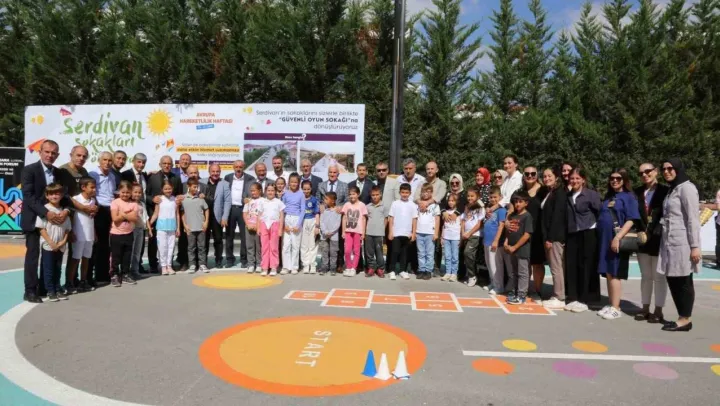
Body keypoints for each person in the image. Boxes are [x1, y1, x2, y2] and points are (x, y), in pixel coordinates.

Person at [21, 140, 72, 302]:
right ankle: (30, 291)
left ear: (57, 155)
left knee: (50, 255)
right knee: (33, 256)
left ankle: (45, 287)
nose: (50, 155)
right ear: (40, 152)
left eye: (53, 153)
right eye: (47, 152)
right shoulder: (29, 170)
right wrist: (46, 212)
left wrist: (66, 210)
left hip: (55, 223)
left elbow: (66, 196)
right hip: (34, 220)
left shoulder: (60, 173)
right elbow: (28, 196)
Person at [657, 158, 701, 332]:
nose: (666, 172)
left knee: (683, 280)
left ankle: (685, 319)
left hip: (683, 242)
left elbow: (693, 219)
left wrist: (695, 246)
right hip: (669, 242)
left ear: (678, 169)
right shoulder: (672, 189)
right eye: (664, 169)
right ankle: (681, 316)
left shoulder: (687, 188)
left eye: (670, 168)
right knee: (673, 278)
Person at [596, 169, 640, 320]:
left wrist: (618, 237)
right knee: (608, 272)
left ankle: (616, 307)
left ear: (624, 180)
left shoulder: (629, 197)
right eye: (612, 178)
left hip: (616, 238)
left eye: (618, 178)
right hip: (605, 239)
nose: (615, 181)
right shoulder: (609, 197)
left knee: (615, 272)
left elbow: (631, 219)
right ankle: (611, 304)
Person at [633, 163, 669, 322]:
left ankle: (658, 310)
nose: (644, 175)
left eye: (648, 171)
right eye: (641, 173)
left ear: (656, 172)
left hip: (660, 239)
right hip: (642, 238)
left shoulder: (666, 191)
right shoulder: (637, 192)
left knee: (659, 277)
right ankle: (645, 308)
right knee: (646, 276)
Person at [565, 168, 602, 313]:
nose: (574, 181)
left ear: (583, 180)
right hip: (573, 232)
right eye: (572, 178)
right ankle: (573, 297)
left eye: (577, 178)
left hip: (588, 232)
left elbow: (599, 211)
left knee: (587, 266)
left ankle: (585, 299)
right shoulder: (568, 195)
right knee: (572, 265)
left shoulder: (591, 194)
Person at [146, 156, 183, 272]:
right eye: (164, 163)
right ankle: (153, 265)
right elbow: (146, 194)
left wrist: (179, 199)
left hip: (171, 215)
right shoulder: (152, 177)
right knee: (154, 242)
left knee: (170, 244)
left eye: (169, 163)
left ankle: (168, 264)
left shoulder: (176, 178)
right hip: (156, 213)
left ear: (172, 165)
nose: (167, 165)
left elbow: (179, 194)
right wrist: (152, 199)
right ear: (160, 164)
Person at [36, 183, 72, 301]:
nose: (54, 196)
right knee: (49, 269)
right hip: (48, 245)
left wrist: (63, 241)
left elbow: (67, 229)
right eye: (51, 194)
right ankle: (50, 291)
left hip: (61, 246)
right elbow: (41, 228)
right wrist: (51, 242)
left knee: (58, 268)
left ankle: (57, 288)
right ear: (47, 196)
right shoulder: (45, 210)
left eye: (57, 193)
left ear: (61, 195)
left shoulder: (64, 211)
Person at [540, 166, 568, 310]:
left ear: (556, 177)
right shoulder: (549, 192)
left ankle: (559, 297)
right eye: (544, 176)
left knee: (556, 267)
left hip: (555, 237)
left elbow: (557, 217)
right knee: (555, 266)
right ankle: (558, 294)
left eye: (549, 176)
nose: (546, 178)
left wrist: (550, 238)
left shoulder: (560, 193)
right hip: (551, 236)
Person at [518, 166, 548, 301]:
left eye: (533, 173)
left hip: (538, 232)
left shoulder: (544, 191)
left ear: (537, 175)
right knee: (525, 263)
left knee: (537, 263)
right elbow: (513, 209)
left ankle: (537, 291)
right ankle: (525, 289)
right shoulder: (521, 192)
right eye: (527, 174)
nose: (530, 176)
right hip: (523, 232)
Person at [89, 151, 119, 284]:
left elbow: (112, 193)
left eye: (109, 160)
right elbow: (91, 193)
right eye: (105, 160)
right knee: (98, 243)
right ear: (99, 161)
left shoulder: (112, 176)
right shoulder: (92, 174)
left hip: (110, 210)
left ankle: (104, 273)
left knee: (107, 243)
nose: (107, 163)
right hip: (99, 209)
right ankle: (94, 275)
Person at [224, 160, 256, 268]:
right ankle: (229, 259)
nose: (238, 169)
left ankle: (244, 260)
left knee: (244, 236)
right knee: (229, 235)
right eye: (236, 167)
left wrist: (248, 199)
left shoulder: (250, 179)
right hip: (231, 209)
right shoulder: (227, 177)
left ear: (244, 167)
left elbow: (253, 192)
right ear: (233, 167)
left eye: (240, 167)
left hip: (244, 209)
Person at [504, 190, 534, 304]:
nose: (517, 204)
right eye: (516, 201)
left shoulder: (527, 216)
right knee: (514, 272)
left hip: (522, 250)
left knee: (522, 273)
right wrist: (506, 243)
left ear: (526, 203)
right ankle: (515, 292)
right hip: (512, 249)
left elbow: (527, 235)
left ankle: (522, 295)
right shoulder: (512, 215)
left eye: (520, 201)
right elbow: (509, 231)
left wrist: (515, 247)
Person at [69, 177, 97, 293]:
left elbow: (91, 218)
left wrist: (94, 233)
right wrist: (71, 232)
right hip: (78, 234)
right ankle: (70, 283)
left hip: (89, 235)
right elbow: (71, 217)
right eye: (92, 187)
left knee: (86, 259)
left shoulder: (93, 200)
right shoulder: (75, 199)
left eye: (95, 187)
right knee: (75, 259)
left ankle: (83, 281)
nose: (94, 190)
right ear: (83, 187)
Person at [122, 153, 148, 273]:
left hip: (142, 210)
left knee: (139, 246)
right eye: (139, 162)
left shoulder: (144, 175)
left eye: (143, 163)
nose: (141, 165)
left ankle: (136, 267)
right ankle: (126, 270)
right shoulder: (126, 174)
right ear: (133, 161)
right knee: (130, 247)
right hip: (129, 213)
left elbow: (145, 192)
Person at [200, 164, 231, 268]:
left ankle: (218, 260)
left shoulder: (225, 184)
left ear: (220, 172)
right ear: (209, 172)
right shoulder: (202, 182)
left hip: (218, 216)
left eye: (217, 171)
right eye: (213, 171)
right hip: (204, 216)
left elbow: (227, 201)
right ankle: (203, 262)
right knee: (204, 240)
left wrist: (225, 217)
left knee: (218, 239)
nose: (215, 173)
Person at [110, 181, 139, 286]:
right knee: (116, 256)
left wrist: (122, 214)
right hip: (116, 234)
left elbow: (134, 218)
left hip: (129, 233)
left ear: (131, 192)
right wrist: (127, 215)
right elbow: (115, 219)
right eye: (123, 192)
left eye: (127, 192)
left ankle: (125, 274)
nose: (125, 194)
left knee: (127, 256)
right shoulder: (115, 202)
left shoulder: (134, 204)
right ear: (119, 192)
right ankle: (114, 275)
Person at [388, 183, 418, 281]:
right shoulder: (395, 203)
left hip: (407, 233)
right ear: (399, 192)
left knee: (404, 253)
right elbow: (391, 218)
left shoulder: (413, 205)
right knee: (395, 252)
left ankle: (402, 270)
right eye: (403, 192)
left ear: (410, 193)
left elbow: (414, 219)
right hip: (396, 233)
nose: (404, 194)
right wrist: (390, 232)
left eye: (406, 192)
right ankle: (392, 270)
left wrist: (413, 233)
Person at [150, 181, 180, 275]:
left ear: (172, 189)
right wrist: (149, 223)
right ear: (162, 190)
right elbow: (155, 213)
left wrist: (178, 228)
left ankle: (169, 266)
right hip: (161, 227)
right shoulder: (160, 200)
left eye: (169, 188)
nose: (168, 190)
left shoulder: (175, 200)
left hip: (172, 227)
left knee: (171, 247)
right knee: (162, 247)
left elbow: (177, 215)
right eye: (166, 189)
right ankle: (163, 266)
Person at [183, 178, 210, 273]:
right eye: (194, 187)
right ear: (188, 186)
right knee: (191, 247)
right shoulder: (184, 199)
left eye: (197, 187)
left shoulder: (200, 198)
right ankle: (192, 265)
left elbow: (206, 210)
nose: (196, 189)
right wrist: (185, 225)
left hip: (201, 227)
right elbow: (182, 213)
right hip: (190, 228)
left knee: (202, 247)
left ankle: (202, 264)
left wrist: (206, 222)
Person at [259, 183, 285, 276]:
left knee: (274, 247)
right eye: (269, 190)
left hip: (275, 225)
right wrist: (258, 228)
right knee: (265, 247)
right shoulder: (262, 202)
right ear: (265, 191)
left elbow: (281, 216)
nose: (270, 192)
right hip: (264, 225)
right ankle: (265, 267)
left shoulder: (278, 202)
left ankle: (274, 267)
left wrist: (280, 229)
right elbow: (259, 215)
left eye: (272, 190)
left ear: (275, 191)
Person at [484, 187, 507, 294]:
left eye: (495, 197)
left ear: (500, 197)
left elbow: (501, 226)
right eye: (491, 197)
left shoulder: (501, 210)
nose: (493, 199)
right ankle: (493, 283)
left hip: (494, 242)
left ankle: (499, 286)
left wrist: (496, 240)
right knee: (489, 264)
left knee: (495, 265)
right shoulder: (490, 210)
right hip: (486, 241)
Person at [341, 186, 368, 277]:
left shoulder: (362, 205)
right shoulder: (346, 205)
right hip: (348, 231)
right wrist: (343, 231)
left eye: (353, 194)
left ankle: (353, 268)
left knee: (356, 250)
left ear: (358, 194)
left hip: (358, 231)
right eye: (350, 194)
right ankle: (348, 267)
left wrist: (363, 232)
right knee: (347, 250)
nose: (351, 196)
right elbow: (344, 218)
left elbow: (364, 219)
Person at [415, 183, 440, 280]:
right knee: (420, 252)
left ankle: (428, 270)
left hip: (430, 233)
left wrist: (436, 233)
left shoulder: (435, 205)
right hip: (419, 232)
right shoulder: (418, 204)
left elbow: (437, 219)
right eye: (424, 192)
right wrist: (414, 232)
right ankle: (421, 269)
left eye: (428, 192)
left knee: (429, 253)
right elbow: (415, 218)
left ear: (431, 193)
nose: (425, 194)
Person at [462, 187, 485, 288]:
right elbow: (463, 220)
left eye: (472, 196)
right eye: (468, 196)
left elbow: (479, 224)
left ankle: (472, 276)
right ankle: (471, 275)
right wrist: (463, 232)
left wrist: (469, 233)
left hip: (475, 235)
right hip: (466, 234)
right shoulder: (467, 206)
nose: (470, 198)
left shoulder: (480, 207)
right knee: (469, 256)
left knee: (468, 253)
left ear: (477, 196)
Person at [281, 173, 304, 275]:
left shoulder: (301, 194)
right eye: (292, 182)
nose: (294, 184)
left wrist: (298, 225)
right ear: (288, 183)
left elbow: (302, 210)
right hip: (287, 219)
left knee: (295, 245)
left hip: (296, 219)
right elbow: (282, 209)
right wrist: (284, 225)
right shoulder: (285, 194)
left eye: (296, 182)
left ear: (298, 183)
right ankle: (286, 266)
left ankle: (294, 267)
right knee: (286, 245)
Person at [365, 186, 388, 278]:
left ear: (380, 195)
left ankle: (380, 268)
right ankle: (371, 267)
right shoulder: (368, 206)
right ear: (370, 195)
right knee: (369, 252)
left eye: (377, 195)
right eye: (373, 195)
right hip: (369, 233)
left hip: (379, 234)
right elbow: (366, 219)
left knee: (379, 252)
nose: (375, 197)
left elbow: (386, 219)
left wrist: (383, 229)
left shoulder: (384, 206)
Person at [299, 180, 320, 274]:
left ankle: (313, 264)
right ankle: (306, 264)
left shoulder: (314, 200)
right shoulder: (299, 199)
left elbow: (317, 214)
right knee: (304, 245)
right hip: (302, 222)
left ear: (311, 189)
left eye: (308, 189)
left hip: (312, 221)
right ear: (301, 189)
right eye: (304, 189)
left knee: (312, 244)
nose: (306, 191)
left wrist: (317, 226)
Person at [130, 183, 150, 281]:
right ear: (131, 192)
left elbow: (146, 218)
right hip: (131, 230)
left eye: (139, 192)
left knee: (137, 251)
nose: (137, 194)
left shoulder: (142, 204)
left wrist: (149, 229)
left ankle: (135, 270)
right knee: (131, 251)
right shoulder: (129, 204)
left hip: (140, 229)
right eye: (135, 192)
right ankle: (127, 271)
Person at [318, 192, 342, 276]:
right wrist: (325, 231)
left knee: (333, 252)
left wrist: (331, 231)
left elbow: (338, 223)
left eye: (326, 199)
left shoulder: (337, 211)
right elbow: (321, 222)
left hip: (334, 236)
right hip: (324, 235)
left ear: (333, 201)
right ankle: (324, 267)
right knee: (324, 251)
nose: (324, 200)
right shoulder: (324, 210)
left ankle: (333, 268)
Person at [243, 183, 264, 274]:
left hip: (259, 227)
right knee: (250, 246)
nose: (252, 192)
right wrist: (247, 224)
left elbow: (263, 214)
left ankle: (259, 264)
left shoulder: (263, 201)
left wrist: (258, 226)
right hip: (249, 227)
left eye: (254, 190)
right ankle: (251, 264)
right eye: (251, 191)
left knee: (259, 246)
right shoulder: (248, 201)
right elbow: (245, 213)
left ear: (260, 191)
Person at [441, 193, 461, 282]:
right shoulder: (445, 212)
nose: (450, 202)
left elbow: (462, 225)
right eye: (449, 200)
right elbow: (444, 225)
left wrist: (460, 238)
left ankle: (454, 274)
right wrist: (442, 236)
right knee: (447, 256)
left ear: (456, 202)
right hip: (446, 237)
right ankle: (448, 272)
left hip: (455, 238)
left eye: (453, 201)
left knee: (455, 256)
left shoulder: (459, 213)